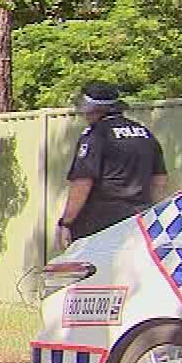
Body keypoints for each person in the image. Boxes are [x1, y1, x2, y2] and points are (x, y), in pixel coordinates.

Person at [57, 82, 167, 248]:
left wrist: (66, 222)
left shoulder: (95, 136)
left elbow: (82, 183)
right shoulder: (145, 134)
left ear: (93, 108)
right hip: (140, 223)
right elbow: (160, 181)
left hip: (100, 224)